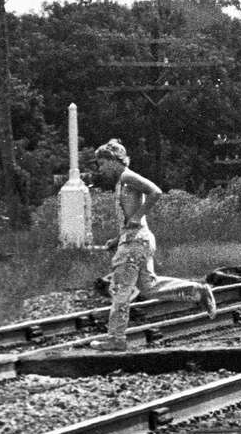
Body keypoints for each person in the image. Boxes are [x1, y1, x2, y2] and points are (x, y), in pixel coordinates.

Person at [89, 139, 216, 351]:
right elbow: (128, 216)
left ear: (112, 160)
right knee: (149, 287)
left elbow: (155, 191)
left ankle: (116, 338)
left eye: (101, 163)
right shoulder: (122, 181)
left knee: (121, 290)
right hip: (136, 240)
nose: (100, 169)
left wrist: (138, 216)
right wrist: (117, 238)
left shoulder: (127, 176)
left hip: (135, 243)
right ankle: (198, 291)